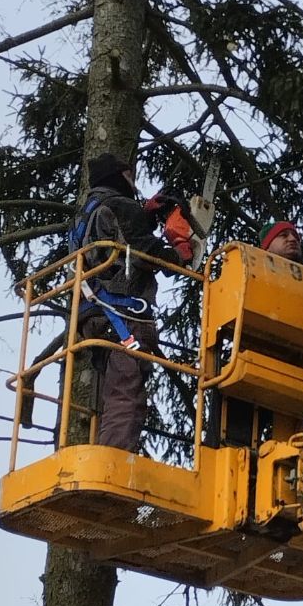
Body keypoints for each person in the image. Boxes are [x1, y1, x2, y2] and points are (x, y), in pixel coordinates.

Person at [68, 152, 196, 453]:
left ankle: (104, 451)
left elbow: (119, 240)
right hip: (123, 315)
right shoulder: (120, 205)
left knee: (110, 393)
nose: (133, 182)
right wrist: (179, 253)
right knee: (126, 395)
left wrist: (147, 215)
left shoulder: (85, 214)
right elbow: (144, 252)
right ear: (119, 176)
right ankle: (112, 461)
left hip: (93, 315)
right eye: (129, 175)